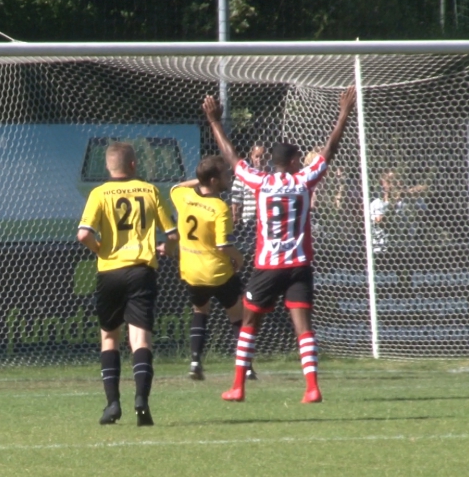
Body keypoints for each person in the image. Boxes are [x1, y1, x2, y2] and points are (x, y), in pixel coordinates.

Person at [203, 86, 356, 404]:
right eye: (300, 158)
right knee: (303, 326)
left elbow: (231, 157)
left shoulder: (261, 182)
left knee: (249, 322)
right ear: (294, 160)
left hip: (269, 266)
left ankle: (238, 387)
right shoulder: (304, 180)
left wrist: (215, 121)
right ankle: (312, 387)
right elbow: (330, 148)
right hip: (299, 266)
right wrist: (344, 113)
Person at [77, 142, 178, 426]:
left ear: (108, 167)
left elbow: (83, 234)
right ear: (134, 165)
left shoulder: (99, 193)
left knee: (109, 338)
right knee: (140, 340)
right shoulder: (149, 191)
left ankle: (112, 405)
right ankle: (142, 401)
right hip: (141, 271)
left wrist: (101, 251)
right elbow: (171, 234)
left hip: (110, 272)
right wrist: (166, 251)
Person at [170, 156, 246, 381]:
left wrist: (201, 180)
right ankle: (246, 366)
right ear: (214, 180)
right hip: (218, 272)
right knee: (237, 315)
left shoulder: (184, 198)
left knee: (200, 311)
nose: (228, 178)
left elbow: (176, 187)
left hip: (192, 272)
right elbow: (224, 245)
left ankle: (195, 361)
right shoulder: (219, 207)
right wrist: (239, 258)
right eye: (224, 175)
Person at [370, 170, 428, 254]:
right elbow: (383, 223)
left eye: (397, 179)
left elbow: (425, 217)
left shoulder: (409, 201)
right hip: (382, 251)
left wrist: (413, 196)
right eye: (390, 181)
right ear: (383, 183)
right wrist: (394, 202)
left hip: (406, 251)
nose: (394, 184)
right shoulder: (376, 203)